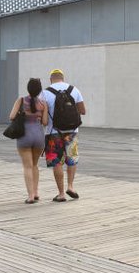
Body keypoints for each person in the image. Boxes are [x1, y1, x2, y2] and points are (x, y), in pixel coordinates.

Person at [43, 69, 87, 202]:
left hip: (53, 132)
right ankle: (71, 187)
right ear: (63, 78)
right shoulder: (74, 90)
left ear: (51, 79)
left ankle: (61, 193)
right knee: (71, 159)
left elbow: (43, 117)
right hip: (72, 132)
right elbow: (83, 111)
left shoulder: (45, 93)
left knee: (57, 162)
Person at [9, 78, 49, 203]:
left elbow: (11, 117)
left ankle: (30, 196)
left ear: (28, 88)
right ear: (39, 90)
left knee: (27, 167)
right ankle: (36, 193)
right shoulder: (43, 104)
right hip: (38, 136)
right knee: (35, 165)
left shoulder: (21, 100)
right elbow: (45, 122)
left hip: (24, 136)